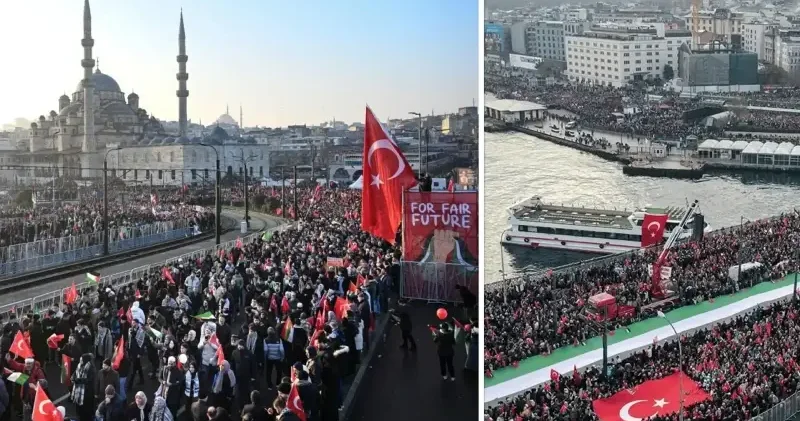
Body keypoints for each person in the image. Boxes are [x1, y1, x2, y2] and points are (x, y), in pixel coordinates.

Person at [71, 353, 96, 421]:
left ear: (85, 360)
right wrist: (73, 377)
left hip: (87, 392)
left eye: (81, 360)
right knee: (79, 407)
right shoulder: (79, 365)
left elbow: (88, 380)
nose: (80, 361)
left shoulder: (91, 368)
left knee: (86, 409)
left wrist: (77, 380)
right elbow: (75, 372)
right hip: (79, 390)